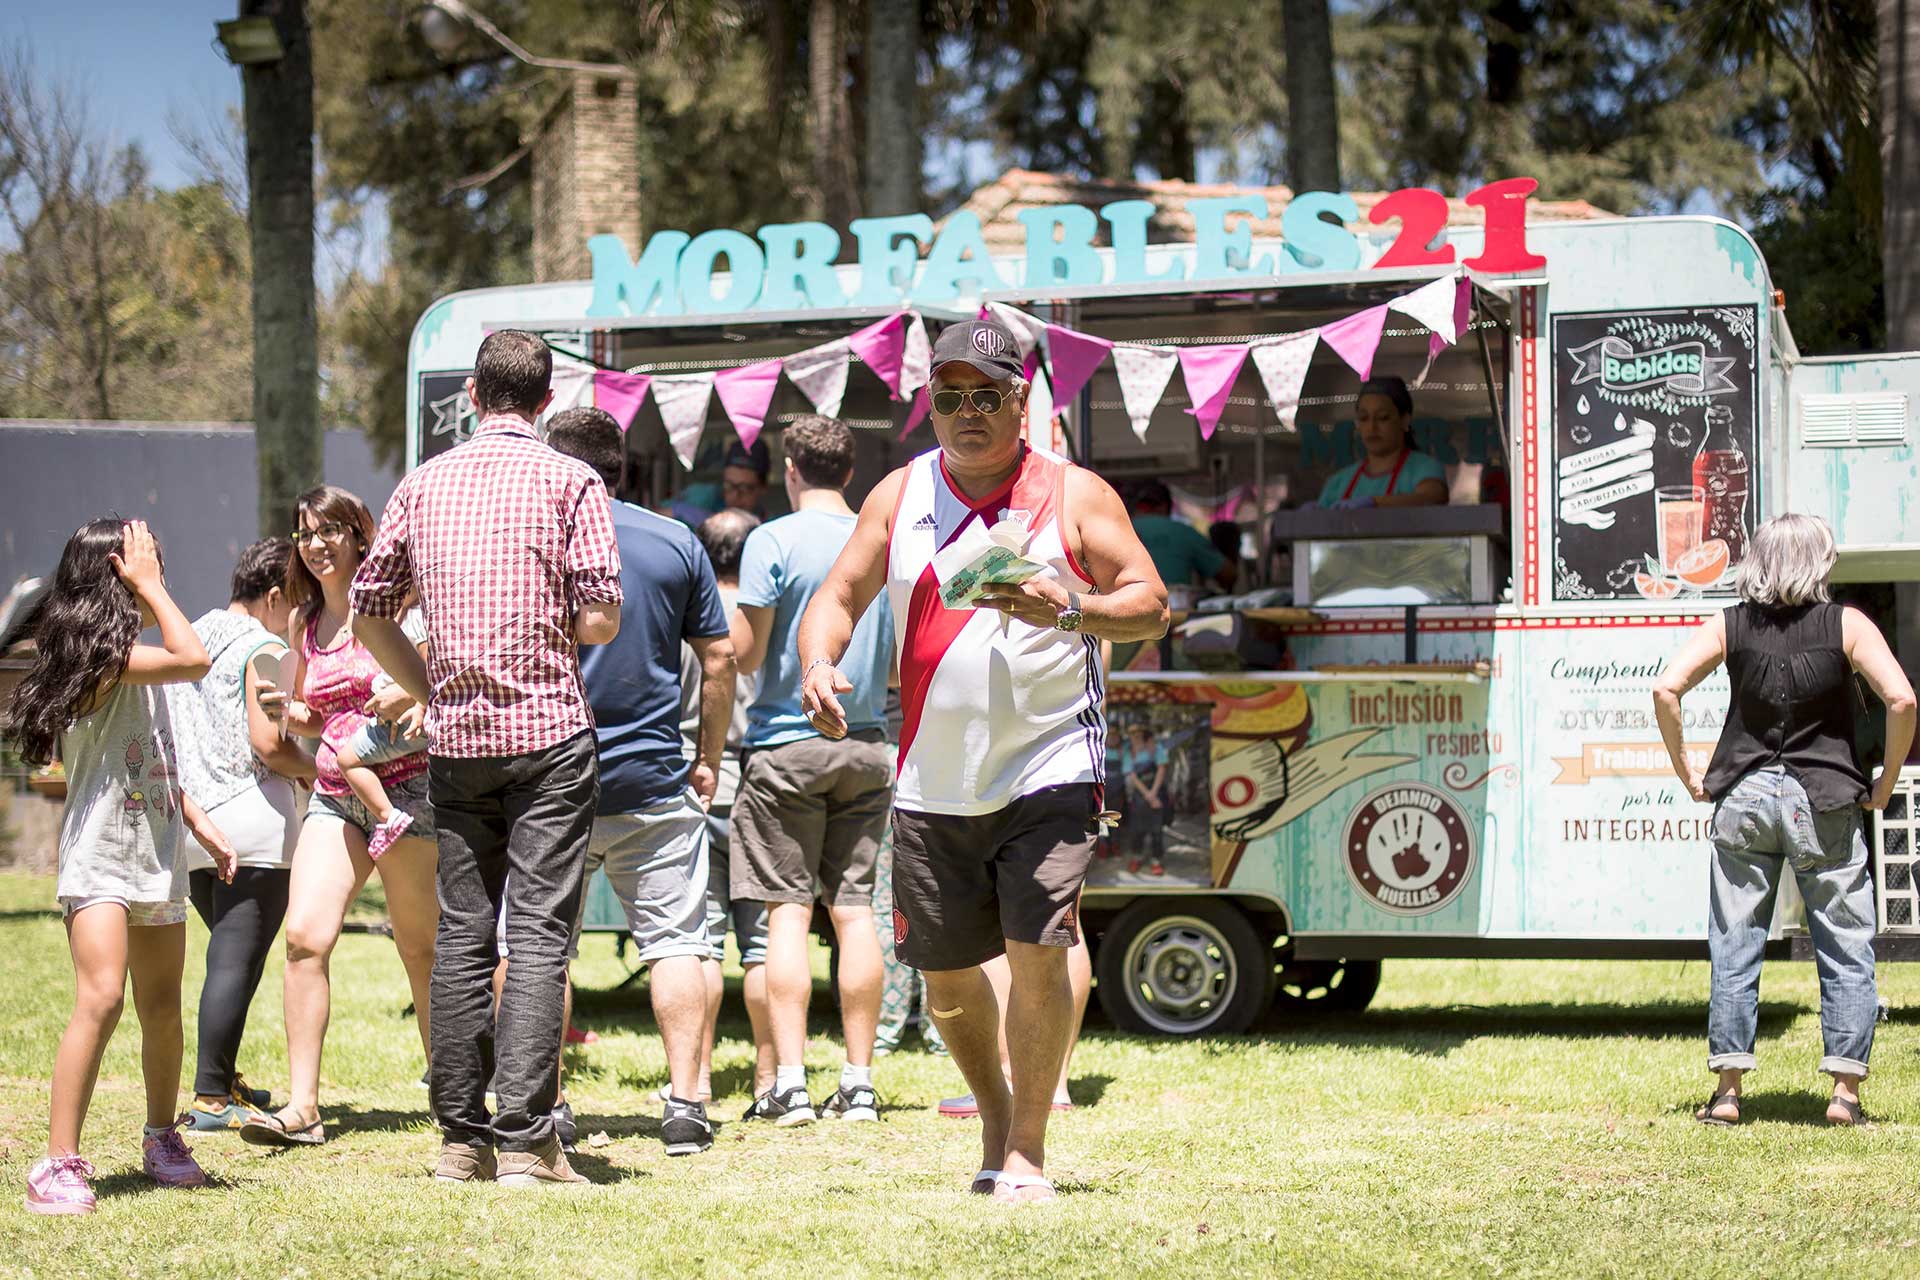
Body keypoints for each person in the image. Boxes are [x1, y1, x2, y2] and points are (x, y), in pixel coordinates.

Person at [797, 315, 1169, 1204]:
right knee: (947, 977)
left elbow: (1152, 603)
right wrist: (820, 659)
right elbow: (840, 593)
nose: (965, 412)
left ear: (1021, 400)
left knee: (1039, 949)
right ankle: (995, 1117)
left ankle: (1029, 1149)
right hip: (932, 778)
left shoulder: (1074, 494)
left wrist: (1072, 610)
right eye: (948, 395)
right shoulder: (901, 492)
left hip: (1049, 764)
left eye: (985, 396)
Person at [351, 330, 623, 1187]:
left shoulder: (423, 483)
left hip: (459, 741)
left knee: (466, 937)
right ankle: (529, 1143)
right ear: (547, 401)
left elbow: (366, 611)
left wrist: (430, 684)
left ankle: (460, 1142)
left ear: (472, 392)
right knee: (539, 937)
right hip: (549, 734)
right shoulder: (572, 478)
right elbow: (603, 618)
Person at [5, 519, 237, 1214]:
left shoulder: (136, 664)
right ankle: (57, 1163)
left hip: (156, 858)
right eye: (142, 565)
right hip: (102, 860)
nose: (156, 572)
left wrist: (200, 823)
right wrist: (153, 588)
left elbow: (153, 757)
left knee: (162, 1010)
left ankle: (162, 1137)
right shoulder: (101, 664)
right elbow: (195, 655)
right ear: (115, 575)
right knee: (101, 998)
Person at [1653, 513, 1915, 1127]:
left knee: (1736, 939)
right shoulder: (1846, 624)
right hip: (1823, 797)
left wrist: (1688, 772)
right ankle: (1845, 1095)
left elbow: (1667, 689)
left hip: (1744, 795)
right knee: (1845, 941)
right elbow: (1901, 698)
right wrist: (1887, 779)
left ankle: (1727, 1092)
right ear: (1820, 562)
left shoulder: (1730, 623)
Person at [544, 406, 736, 1157]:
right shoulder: (673, 541)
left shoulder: (536, 542)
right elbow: (718, 660)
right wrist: (708, 754)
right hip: (654, 777)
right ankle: (686, 1105)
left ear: (560, 468)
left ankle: (546, 1103)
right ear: (622, 469)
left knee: (537, 947)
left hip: (548, 773)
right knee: (676, 942)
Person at [240, 486, 442, 1152]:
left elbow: (439, 689)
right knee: (303, 937)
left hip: (409, 791)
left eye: (331, 530)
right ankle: (303, 1108)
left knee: (419, 947)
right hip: (334, 793)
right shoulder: (302, 623)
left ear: (361, 535)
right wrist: (291, 716)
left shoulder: (402, 606)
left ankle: (451, 1094)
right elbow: (320, 716)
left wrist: (412, 694)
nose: (317, 543)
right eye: (305, 533)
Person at [731, 414, 895, 1127]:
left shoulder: (772, 539)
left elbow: (746, 653)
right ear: (850, 472)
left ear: (791, 469)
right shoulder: (880, 539)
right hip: (867, 745)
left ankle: (790, 1084)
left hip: (785, 743)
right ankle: (858, 1082)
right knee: (855, 912)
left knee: (787, 915)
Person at [167, 537, 317, 1131]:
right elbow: (269, 743)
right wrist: (324, 764)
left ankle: (221, 1075)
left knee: (226, 955)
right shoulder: (265, 645)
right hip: (252, 824)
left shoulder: (192, 636)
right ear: (275, 595)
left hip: (191, 825)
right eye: (297, 603)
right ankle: (209, 1096)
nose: (301, 618)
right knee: (236, 961)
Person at [688, 508, 773, 1102]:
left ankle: (698, 1079)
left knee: (703, 940)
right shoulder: (766, 606)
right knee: (765, 943)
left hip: (698, 777)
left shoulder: (690, 610)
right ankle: (773, 1079)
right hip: (759, 775)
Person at [332, 592, 430, 860]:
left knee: (347, 759)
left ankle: (389, 817)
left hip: (406, 723)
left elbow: (431, 673)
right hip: (397, 720)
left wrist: (419, 708)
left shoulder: (419, 617)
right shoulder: (402, 617)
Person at [1316, 376, 1448, 510]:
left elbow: (1432, 497)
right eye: (1364, 418)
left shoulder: (1424, 468)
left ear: (1405, 421)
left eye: (1382, 417)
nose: (1372, 427)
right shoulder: (1338, 482)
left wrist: (1374, 502)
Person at [1127, 481, 1235, 593]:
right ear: (1165, 507)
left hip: (1126, 605)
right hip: (1173, 605)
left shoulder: (1120, 532)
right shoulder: (1183, 531)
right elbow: (1228, 574)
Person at [1121, 721, 1170, 877]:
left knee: (1157, 831)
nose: (1136, 737)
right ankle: (1137, 857)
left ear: (1143, 735)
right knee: (1137, 830)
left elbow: (1162, 769)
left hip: (1157, 794)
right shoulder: (1129, 753)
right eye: (1133, 735)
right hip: (1139, 796)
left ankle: (1156, 861)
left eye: (1139, 734)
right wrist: (1148, 795)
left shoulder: (1156, 749)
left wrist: (1154, 793)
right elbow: (1132, 776)